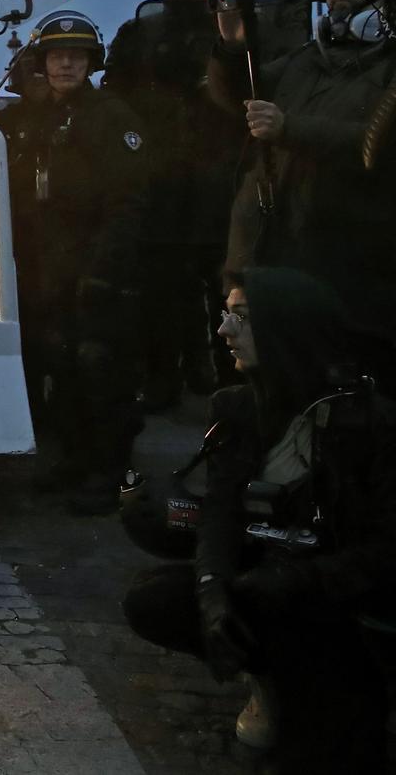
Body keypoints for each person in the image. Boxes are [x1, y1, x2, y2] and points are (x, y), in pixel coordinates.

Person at [121, 268, 395, 769]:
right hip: (267, 582)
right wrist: (213, 595)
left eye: (242, 318)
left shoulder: (369, 424)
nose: (224, 331)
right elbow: (220, 513)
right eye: (225, 314)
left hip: (337, 601)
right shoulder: (238, 407)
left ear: (287, 328)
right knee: (156, 597)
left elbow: (386, 550)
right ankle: (265, 678)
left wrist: (294, 581)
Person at [0, 10, 150, 514]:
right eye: (56, 56)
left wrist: (105, 271)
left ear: (91, 62)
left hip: (95, 265)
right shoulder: (30, 119)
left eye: (75, 56)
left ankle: (112, 476)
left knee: (101, 371)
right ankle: (77, 462)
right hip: (46, 267)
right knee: (59, 368)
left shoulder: (111, 116)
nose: (65, 64)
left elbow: (130, 202)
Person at [211, 0, 396, 330]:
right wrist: (232, 48)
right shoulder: (306, 59)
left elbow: (378, 146)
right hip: (272, 261)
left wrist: (289, 128)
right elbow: (236, 95)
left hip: (352, 274)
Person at [105, 0, 245, 404]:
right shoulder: (138, 35)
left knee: (225, 287)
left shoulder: (231, 32)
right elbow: (115, 98)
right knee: (162, 291)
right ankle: (167, 380)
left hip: (219, 178)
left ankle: (230, 377)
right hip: (162, 179)